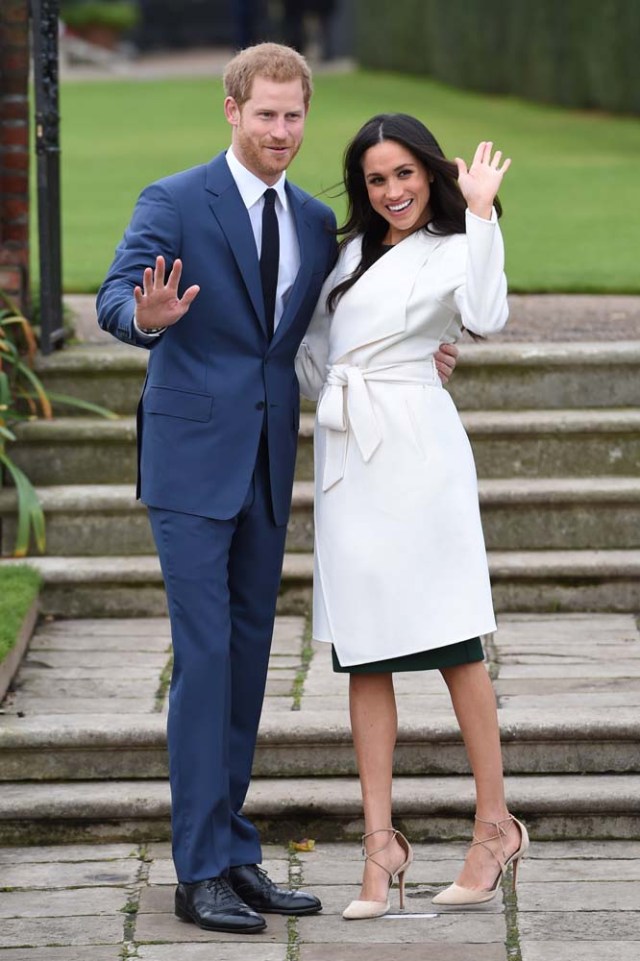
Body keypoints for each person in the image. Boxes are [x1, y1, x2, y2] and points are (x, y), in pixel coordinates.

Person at [96, 41, 460, 935]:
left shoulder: (308, 219)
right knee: (207, 655)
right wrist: (145, 317)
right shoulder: (175, 200)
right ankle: (197, 870)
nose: (282, 131)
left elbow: (321, 339)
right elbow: (112, 299)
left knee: (251, 660)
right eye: (265, 114)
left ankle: (233, 848)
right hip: (187, 466)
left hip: (266, 462)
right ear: (232, 110)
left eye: (295, 115)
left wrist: (415, 357)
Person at [295, 114, 529, 920]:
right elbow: (316, 353)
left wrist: (484, 212)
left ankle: (495, 826)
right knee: (363, 650)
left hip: (419, 457)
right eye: (376, 179)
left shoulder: (457, 242)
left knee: (454, 640)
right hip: (351, 456)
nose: (393, 191)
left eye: (405, 174)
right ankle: (379, 844)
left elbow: (490, 314)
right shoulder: (348, 256)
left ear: (430, 173)